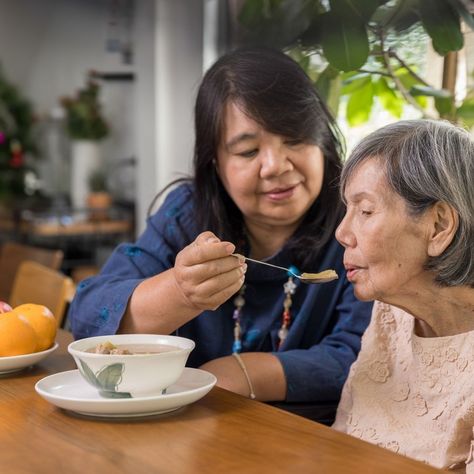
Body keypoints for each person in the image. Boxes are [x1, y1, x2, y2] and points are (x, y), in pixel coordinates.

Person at [69, 47, 372, 423]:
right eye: (248, 151)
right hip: (188, 433)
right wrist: (180, 292)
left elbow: (364, 356)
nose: (276, 166)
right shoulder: (187, 214)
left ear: (323, 140)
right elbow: (87, 316)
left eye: (294, 139)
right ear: (215, 161)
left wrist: (240, 373)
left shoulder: (358, 222)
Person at [332, 119, 474, 471]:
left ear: (439, 226)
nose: (341, 232)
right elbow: (340, 443)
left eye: (365, 211)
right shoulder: (390, 315)